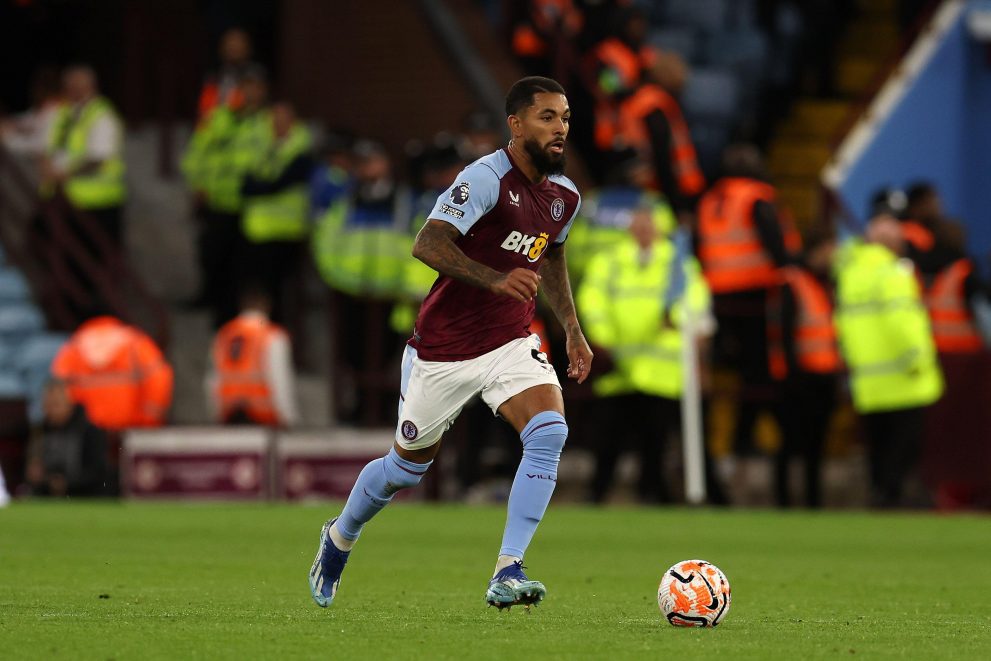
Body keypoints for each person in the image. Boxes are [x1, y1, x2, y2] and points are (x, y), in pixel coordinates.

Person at [308, 76, 592, 611]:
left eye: (565, 118)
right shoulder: (484, 178)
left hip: (510, 339)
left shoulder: (565, 196)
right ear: (515, 124)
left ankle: (508, 569)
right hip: (443, 349)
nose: (561, 129)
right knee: (405, 470)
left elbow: (551, 256)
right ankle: (340, 536)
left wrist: (573, 331)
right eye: (548, 117)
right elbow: (428, 242)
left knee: (549, 431)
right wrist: (493, 278)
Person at [576, 203, 713, 503]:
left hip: (661, 371)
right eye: (638, 223)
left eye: (648, 223)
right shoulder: (610, 261)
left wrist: (675, 317)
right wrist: (603, 339)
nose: (643, 229)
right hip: (619, 367)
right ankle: (598, 494)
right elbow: (591, 300)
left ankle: (651, 494)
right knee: (608, 439)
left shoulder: (678, 263)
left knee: (656, 442)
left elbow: (696, 301)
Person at [834, 215, 943, 507]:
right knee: (904, 446)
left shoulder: (851, 272)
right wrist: (917, 358)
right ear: (891, 242)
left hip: (868, 379)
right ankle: (893, 499)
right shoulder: (893, 272)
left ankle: (880, 498)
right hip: (903, 376)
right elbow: (903, 321)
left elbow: (844, 325)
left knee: (877, 447)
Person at [182, 64, 270, 327]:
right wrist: (197, 184)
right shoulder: (220, 117)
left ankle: (235, 314)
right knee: (213, 256)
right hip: (218, 201)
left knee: (242, 266)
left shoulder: (266, 122)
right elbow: (197, 151)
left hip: (250, 206)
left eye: (256, 87)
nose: (250, 93)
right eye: (246, 87)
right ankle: (218, 313)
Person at [767, 226, 842, 508]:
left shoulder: (825, 282)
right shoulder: (793, 280)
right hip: (798, 378)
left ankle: (813, 502)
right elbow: (782, 332)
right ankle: (783, 502)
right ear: (818, 249)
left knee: (816, 446)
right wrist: (789, 373)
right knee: (789, 443)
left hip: (824, 375)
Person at [239, 101, 313, 324]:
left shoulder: (301, 148)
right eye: (274, 118)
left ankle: (278, 333)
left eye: (284, 118)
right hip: (258, 230)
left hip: (288, 231)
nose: (278, 123)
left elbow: (276, 183)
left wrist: (259, 187)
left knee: (284, 292)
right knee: (257, 287)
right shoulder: (260, 144)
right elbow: (246, 182)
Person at [40, 65, 126, 248]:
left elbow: (98, 159)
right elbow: (49, 144)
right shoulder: (64, 113)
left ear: (91, 86)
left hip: (97, 204)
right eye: (69, 84)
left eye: (78, 84)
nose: (73, 89)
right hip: (62, 199)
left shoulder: (102, 115)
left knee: (94, 258)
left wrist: (64, 174)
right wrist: (46, 163)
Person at [50, 315, 173, 432]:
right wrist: (149, 420)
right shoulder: (136, 344)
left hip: (87, 431)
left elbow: (58, 390)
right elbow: (159, 379)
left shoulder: (72, 348)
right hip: (132, 428)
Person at [206, 285, 299, 426]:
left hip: (230, 421)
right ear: (267, 305)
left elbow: (212, 382)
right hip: (263, 423)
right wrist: (289, 419)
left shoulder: (224, 335)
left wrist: (216, 417)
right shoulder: (272, 336)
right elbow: (279, 380)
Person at [25, 379, 108, 497]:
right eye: (47, 405)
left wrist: (67, 483)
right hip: (46, 496)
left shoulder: (90, 432)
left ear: (70, 404)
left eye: (56, 405)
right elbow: (31, 466)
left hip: (84, 497)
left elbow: (98, 472)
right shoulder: (39, 431)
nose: (51, 411)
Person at [196, 27, 257, 122]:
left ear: (247, 47)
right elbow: (205, 109)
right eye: (230, 44)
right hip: (219, 129)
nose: (233, 47)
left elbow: (254, 105)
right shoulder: (214, 76)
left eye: (238, 43)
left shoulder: (255, 75)